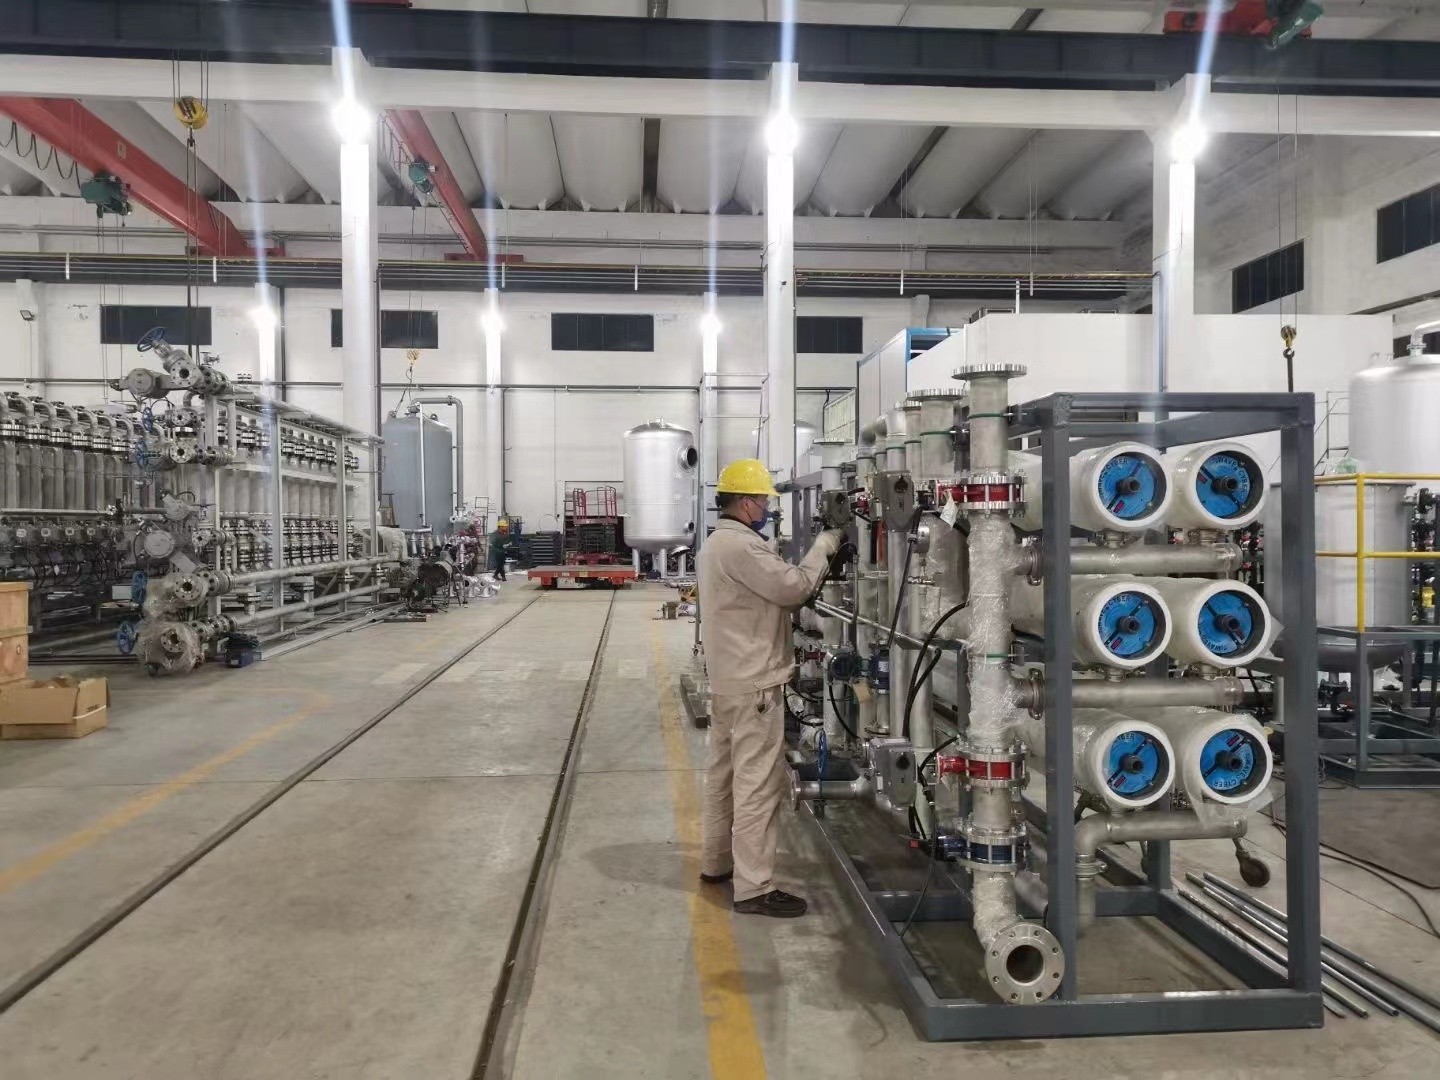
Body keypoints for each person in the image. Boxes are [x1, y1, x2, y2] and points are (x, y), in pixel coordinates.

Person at [697, 457, 844, 918]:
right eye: (763, 501)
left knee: (723, 777)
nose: (766, 509)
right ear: (745, 503)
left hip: (727, 680)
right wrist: (826, 543)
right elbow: (794, 588)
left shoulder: (715, 544)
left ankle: (717, 862)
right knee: (758, 784)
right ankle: (754, 887)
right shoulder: (742, 548)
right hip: (755, 685)